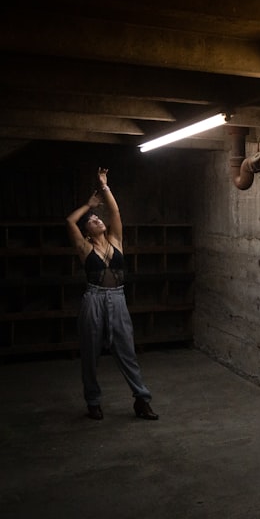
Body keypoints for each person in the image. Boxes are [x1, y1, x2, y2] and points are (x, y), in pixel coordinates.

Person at [65, 167, 159, 421]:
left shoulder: (116, 241)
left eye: (98, 218)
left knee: (126, 350)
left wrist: (105, 187)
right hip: (94, 299)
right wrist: (88, 205)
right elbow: (70, 221)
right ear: (87, 232)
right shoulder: (85, 248)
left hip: (118, 298)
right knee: (90, 353)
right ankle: (93, 402)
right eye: (93, 221)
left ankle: (141, 400)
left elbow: (115, 211)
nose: (97, 219)